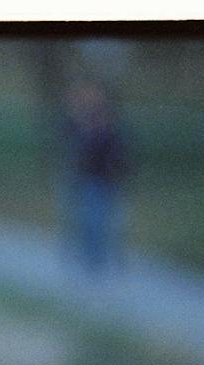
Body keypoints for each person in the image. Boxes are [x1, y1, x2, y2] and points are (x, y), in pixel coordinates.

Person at [60, 79, 131, 276]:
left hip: (107, 182)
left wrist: (117, 171)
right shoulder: (84, 130)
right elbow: (70, 138)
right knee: (89, 222)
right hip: (89, 181)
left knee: (104, 222)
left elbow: (121, 158)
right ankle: (91, 262)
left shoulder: (112, 133)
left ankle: (103, 261)